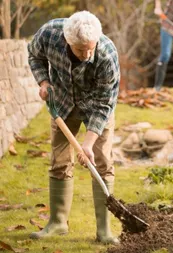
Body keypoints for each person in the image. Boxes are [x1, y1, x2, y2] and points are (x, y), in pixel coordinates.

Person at [27, 11, 120, 244]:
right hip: (63, 103)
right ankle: (58, 223)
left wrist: (87, 144)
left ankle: (104, 231)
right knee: (59, 161)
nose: (87, 54)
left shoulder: (106, 55)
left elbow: (104, 104)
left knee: (102, 161)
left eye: (91, 48)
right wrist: (44, 81)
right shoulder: (49, 34)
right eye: (81, 50)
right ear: (67, 41)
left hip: (95, 106)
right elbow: (35, 56)